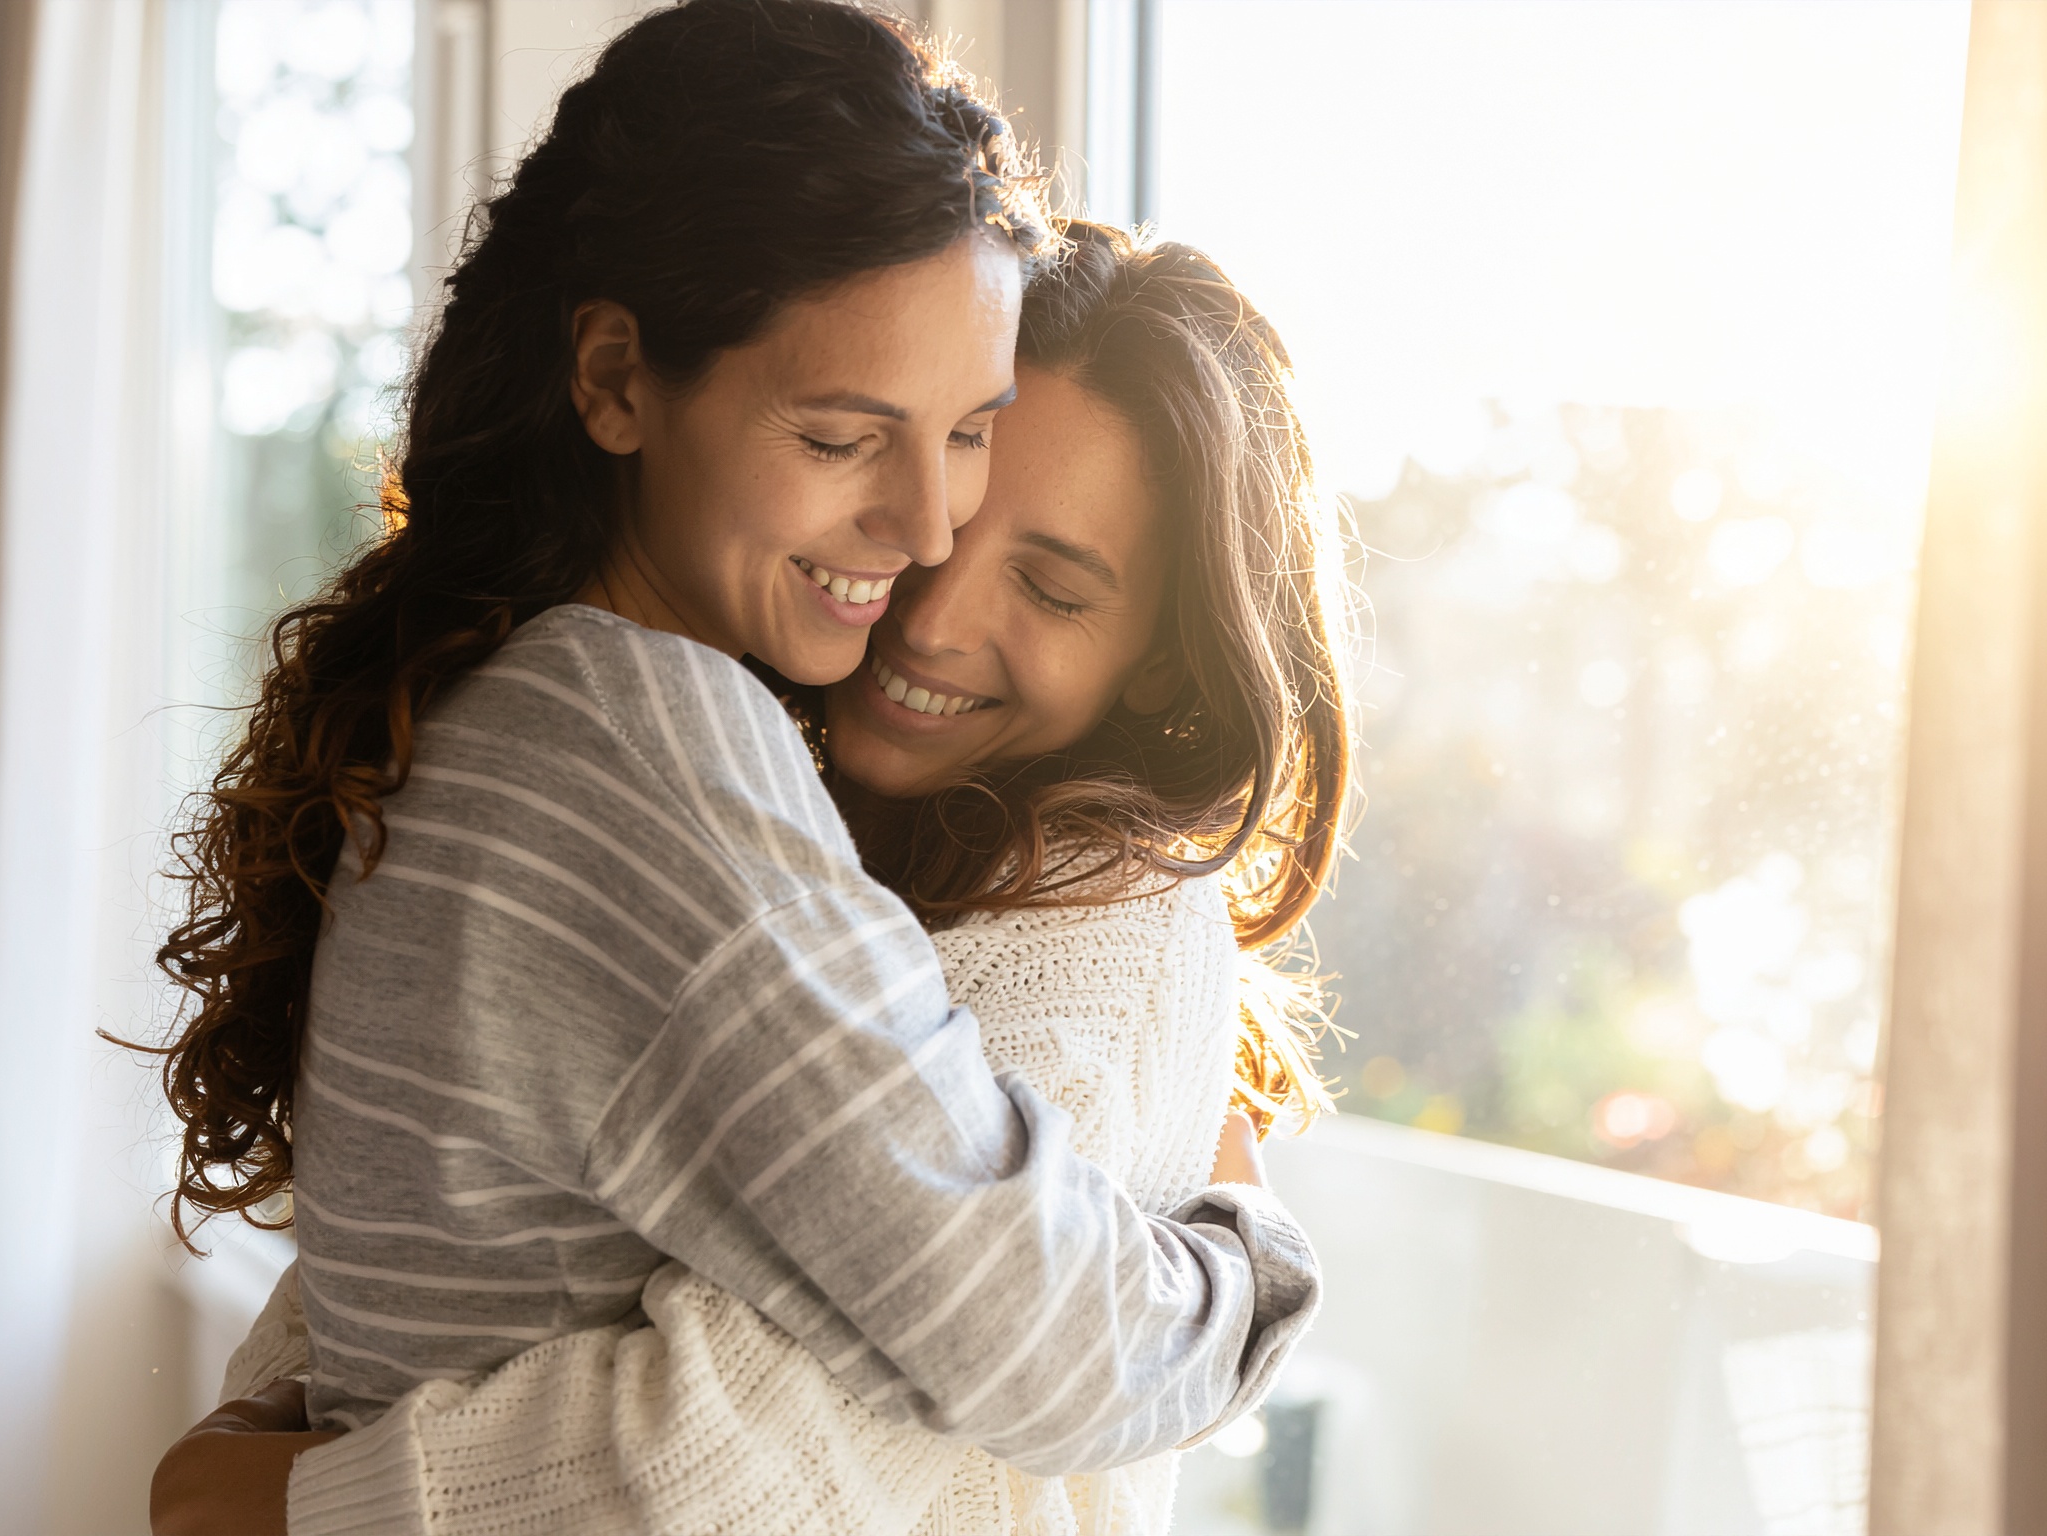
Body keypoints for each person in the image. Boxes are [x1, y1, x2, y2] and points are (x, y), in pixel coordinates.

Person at [140, 1, 1320, 1528]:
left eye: (962, 431)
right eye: (845, 439)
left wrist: (259, 1485)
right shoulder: (658, 755)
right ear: (619, 380)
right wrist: (1259, 1252)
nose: (927, 541)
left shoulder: (504, 693)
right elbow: (1044, 1348)